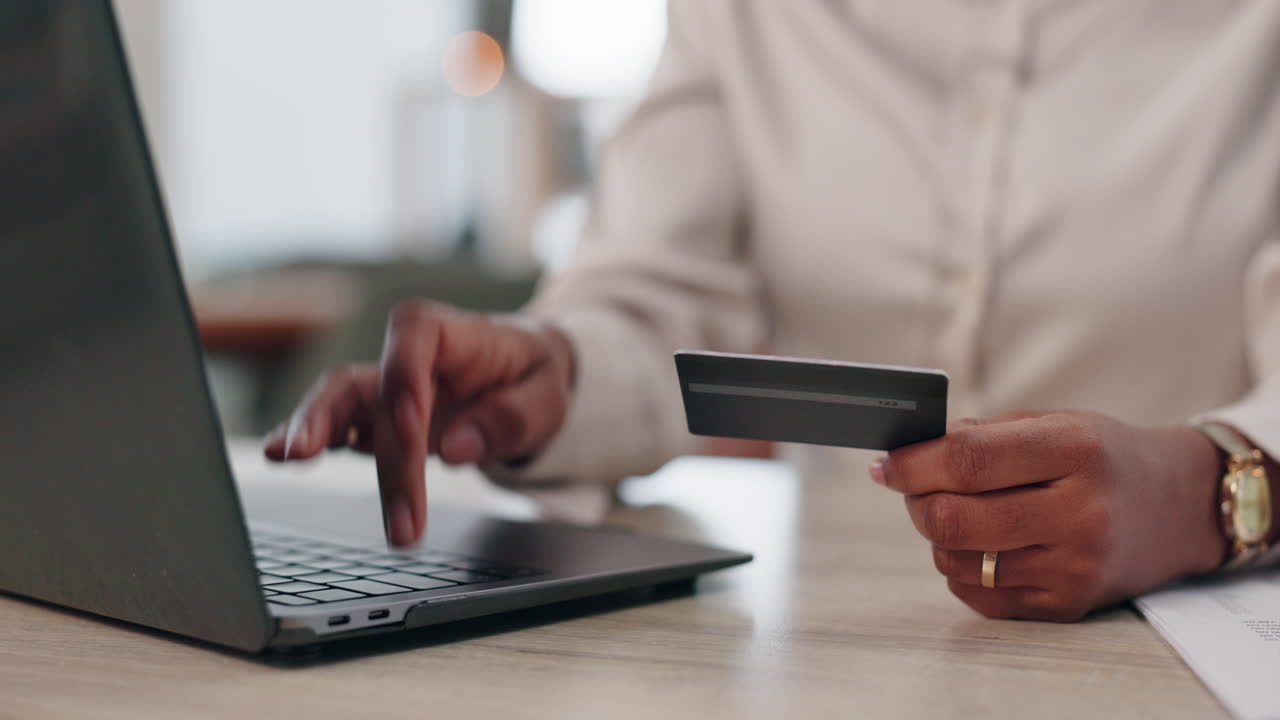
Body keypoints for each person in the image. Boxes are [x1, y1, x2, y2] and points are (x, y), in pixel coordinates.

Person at [265, 1, 1280, 621]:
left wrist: (1204, 490)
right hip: (848, 647)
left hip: (1194, 637)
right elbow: (654, 294)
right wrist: (551, 376)